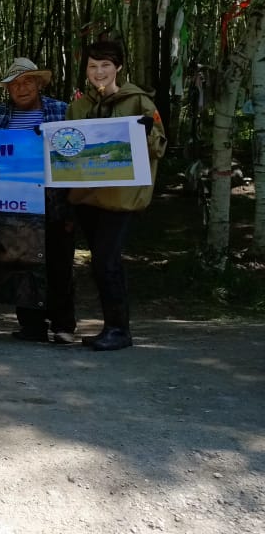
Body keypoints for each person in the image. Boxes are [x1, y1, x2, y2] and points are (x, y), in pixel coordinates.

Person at [65, 39, 166, 351]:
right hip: (88, 198)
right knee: (101, 263)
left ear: (118, 67)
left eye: (105, 65)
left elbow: (159, 146)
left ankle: (120, 329)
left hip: (120, 198)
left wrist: (147, 131)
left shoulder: (138, 101)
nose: (99, 72)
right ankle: (112, 326)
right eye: (93, 66)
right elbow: (68, 147)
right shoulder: (79, 105)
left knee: (107, 261)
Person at [0, 58, 76, 344]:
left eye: (27, 81)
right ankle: (31, 325)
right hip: (14, 201)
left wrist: (74, 203)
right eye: (14, 84)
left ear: (39, 83)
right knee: (21, 263)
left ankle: (63, 325)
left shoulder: (61, 111)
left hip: (55, 201)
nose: (21, 88)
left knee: (59, 262)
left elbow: (76, 156)